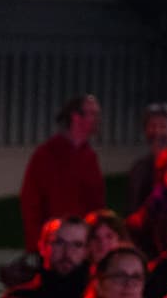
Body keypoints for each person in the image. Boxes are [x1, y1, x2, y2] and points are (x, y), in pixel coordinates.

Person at [20, 94, 105, 252]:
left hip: (80, 242)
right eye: (92, 114)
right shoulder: (47, 154)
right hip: (54, 241)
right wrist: (35, 243)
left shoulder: (89, 157)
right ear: (76, 117)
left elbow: (96, 202)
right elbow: (31, 201)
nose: (97, 119)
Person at [127, 102, 167, 214]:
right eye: (152, 126)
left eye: (163, 126)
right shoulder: (139, 168)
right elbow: (132, 207)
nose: (157, 131)